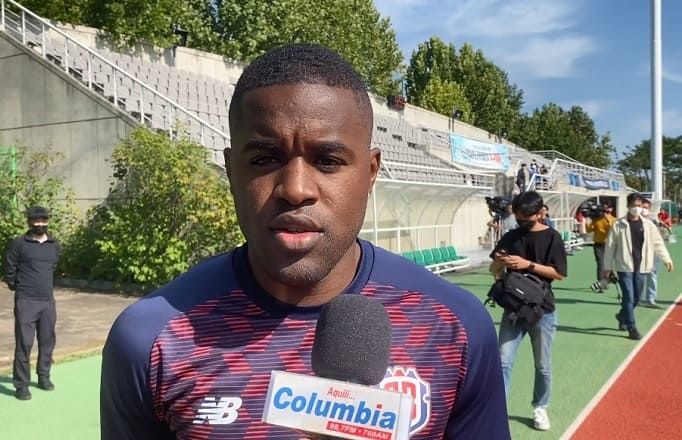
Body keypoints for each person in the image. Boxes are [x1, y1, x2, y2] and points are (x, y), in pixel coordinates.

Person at [100, 44, 510, 439]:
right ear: (231, 171)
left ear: (370, 173)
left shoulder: (456, 326)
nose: (295, 189)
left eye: (328, 161)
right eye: (264, 159)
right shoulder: (149, 339)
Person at [489, 191, 566, 432]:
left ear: (541, 213)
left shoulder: (552, 237)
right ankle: (497, 410)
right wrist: (501, 262)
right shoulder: (511, 236)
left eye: (527, 218)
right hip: (513, 307)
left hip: (542, 310)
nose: (522, 222)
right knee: (503, 361)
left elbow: (559, 273)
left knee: (542, 364)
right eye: (519, 218)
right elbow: (493, 269)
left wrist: (528, 265)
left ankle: (540, 407)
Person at [3, 206, 60, 401]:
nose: (40, 224)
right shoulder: (19, 244)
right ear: (29, 222)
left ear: (47, 221)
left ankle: (44, 376)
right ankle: (21, 385)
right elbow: (9, 268)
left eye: (43, 220)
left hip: (47, 301)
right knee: (24, 343)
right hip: (26, 300)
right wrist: (17, 286)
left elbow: (53, 266)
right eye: (36, 221)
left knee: (47, 341)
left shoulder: (54, 244)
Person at [603, 193, 673, 340]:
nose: (637, 208)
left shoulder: (648, 225)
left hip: (642, 266)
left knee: (635, 299)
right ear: (628, 206)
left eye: (639, 206)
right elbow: (610, 247)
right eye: (634, 205)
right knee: (628, 297)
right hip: (624, 266)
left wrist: (666, 258)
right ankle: (631, 327)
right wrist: (607, 267)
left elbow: (658, 243)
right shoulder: (618, 224)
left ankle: (622, 316)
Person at [586, 201, 615, 292]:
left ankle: (607, 280)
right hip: (598, 244)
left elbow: (612, 230)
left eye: (607, 208)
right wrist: (588, 220)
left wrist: (607, 219)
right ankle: (600, 284)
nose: (605, 210)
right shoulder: (597, 219)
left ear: (611, 209)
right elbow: (589, 229)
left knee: (608, 264)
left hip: (609, 244)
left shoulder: (613, 219)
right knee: (600, 264)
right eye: (604, 208)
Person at [641, 199, 661, 307]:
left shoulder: (653, 222)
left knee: (652, 276)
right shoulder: (632, 222)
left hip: (652, 253)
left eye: (646, 208)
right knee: (639, 277)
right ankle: (638, 298)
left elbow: (659, 239)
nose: (643, 210)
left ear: (649, 209)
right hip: (638, 253)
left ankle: (651, 299)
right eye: (642, 207)